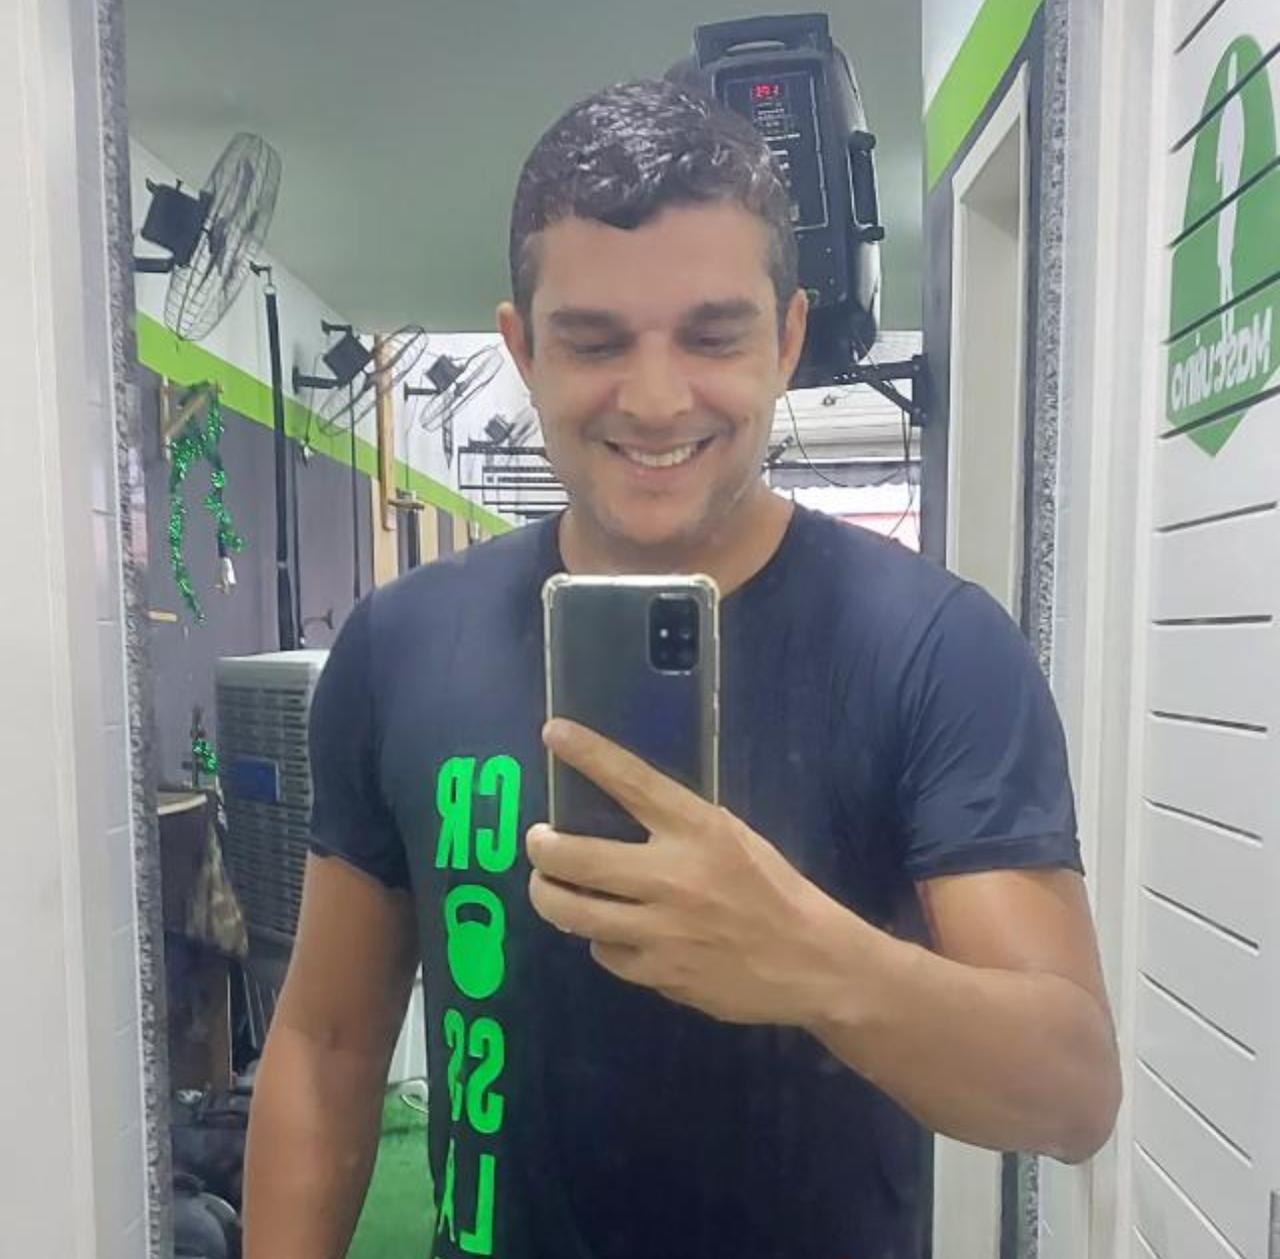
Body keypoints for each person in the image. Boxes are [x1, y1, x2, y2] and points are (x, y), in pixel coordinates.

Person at [242, 79, 1121, 1259]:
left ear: (786, 339)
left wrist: (810, 958)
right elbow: (329, 1042)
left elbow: (1067, 1092)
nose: (655, 400)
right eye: (593, 340)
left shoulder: (931, 646)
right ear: (520, 347)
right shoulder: (400, 642)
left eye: (712, 336)